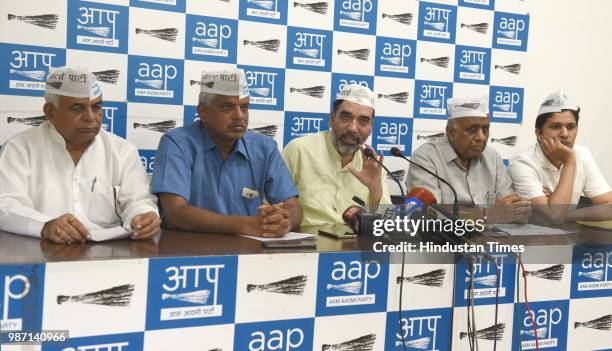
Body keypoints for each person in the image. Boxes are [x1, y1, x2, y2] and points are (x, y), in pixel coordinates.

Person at [0, 66, 160, 244]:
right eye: (77, 108)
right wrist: (45, 225)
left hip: (110, 255)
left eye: (96, 107)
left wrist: (143, 217)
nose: (90, 117)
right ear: (50, 111)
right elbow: (6, 205)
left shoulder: (122, 151)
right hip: (42, 252)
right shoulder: (19, 149)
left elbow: (138, 200)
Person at [152, 69, 302, 237]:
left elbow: (293, 205)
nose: (239, 116)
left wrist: (283, 221)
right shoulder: (177, 143)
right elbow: (175, 213)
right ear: (203, 112)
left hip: (249, 250)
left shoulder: (265, 148)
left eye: (244, 107)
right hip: (190, 253)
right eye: (226, 107)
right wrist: (246, 225)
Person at [406, 95, 531, 223]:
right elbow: (430, 214)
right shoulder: (425, 157)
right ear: (451, 132)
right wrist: (487, 214)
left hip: (490, 238)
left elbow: (508, 206)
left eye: (485, 129)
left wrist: (519, 210)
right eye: (472, 130)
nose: (481, 137)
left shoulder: (493, 158)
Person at [282, 84, 391, 227]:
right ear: (332, 118)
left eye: (363, 121)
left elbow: (388, 224)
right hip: (306, 243)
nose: (352, 128)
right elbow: (273, 207)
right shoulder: (299, 150)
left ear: (371, 127)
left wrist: (375, 190)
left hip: (354, 246)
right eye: (346, 117)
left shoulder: (374, 166)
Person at [509, 90, 612, 223]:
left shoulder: (582, 154)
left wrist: (568, 214)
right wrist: (569, 161)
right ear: (539, 133)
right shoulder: (522, 162)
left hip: (567, 236)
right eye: (556, 126)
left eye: (570, 127)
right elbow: (555, 217)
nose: (564, 134)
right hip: (530, 238)